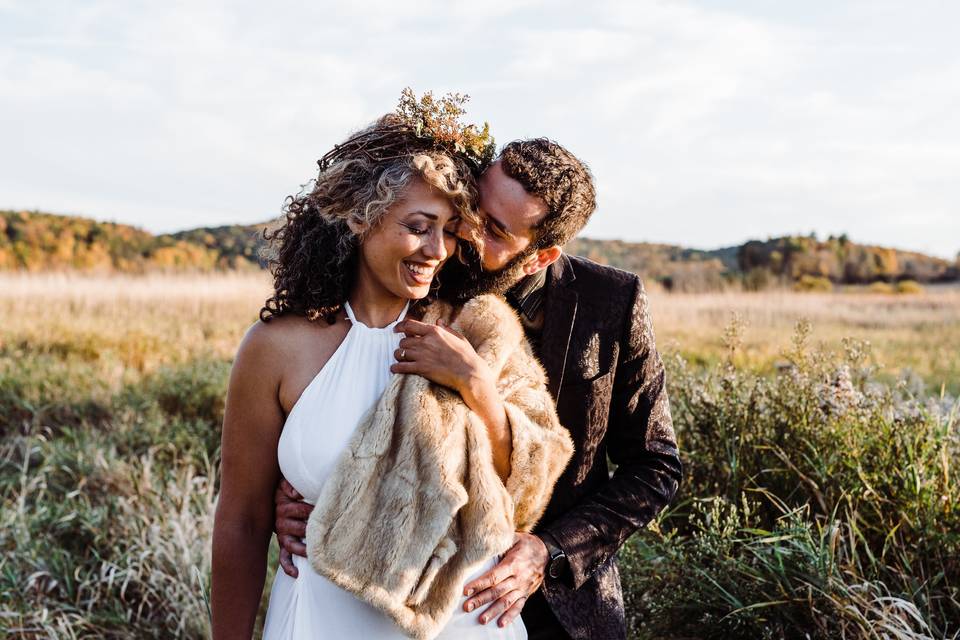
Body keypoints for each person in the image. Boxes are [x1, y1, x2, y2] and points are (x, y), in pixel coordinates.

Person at [276, 138, 683, 640]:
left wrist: (550, 550)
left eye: (494, 229)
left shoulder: (613, 302)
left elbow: (655, 465)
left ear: (540, 255)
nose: (465, 230)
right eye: (473, 204)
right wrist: (298, 482)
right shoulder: (424, 273)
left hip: (562, 607)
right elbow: (338, 392)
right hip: (421, 591)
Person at [211, 111, 574, 639]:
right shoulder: (275, 349)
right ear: (361, 218)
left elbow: (527, 487)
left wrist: (476, 387)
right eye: (417, 227)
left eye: (450, 231)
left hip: (463, 623)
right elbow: (240, 521)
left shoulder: (477, 333)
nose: (436, 250)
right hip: (321, 618)